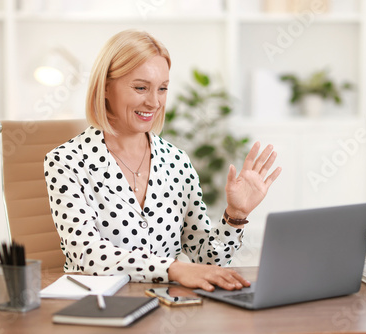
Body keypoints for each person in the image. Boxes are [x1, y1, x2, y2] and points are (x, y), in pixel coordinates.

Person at [44, 29, 281, 292]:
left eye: (163, 89)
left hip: (165, 308)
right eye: (140, 87)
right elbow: (87, 255)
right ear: (106, 88)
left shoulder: (177, 161)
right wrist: (173, 269)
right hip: (97, 308)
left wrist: (236, 215)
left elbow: (208, 260)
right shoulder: (66, 161)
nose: (154, 102)